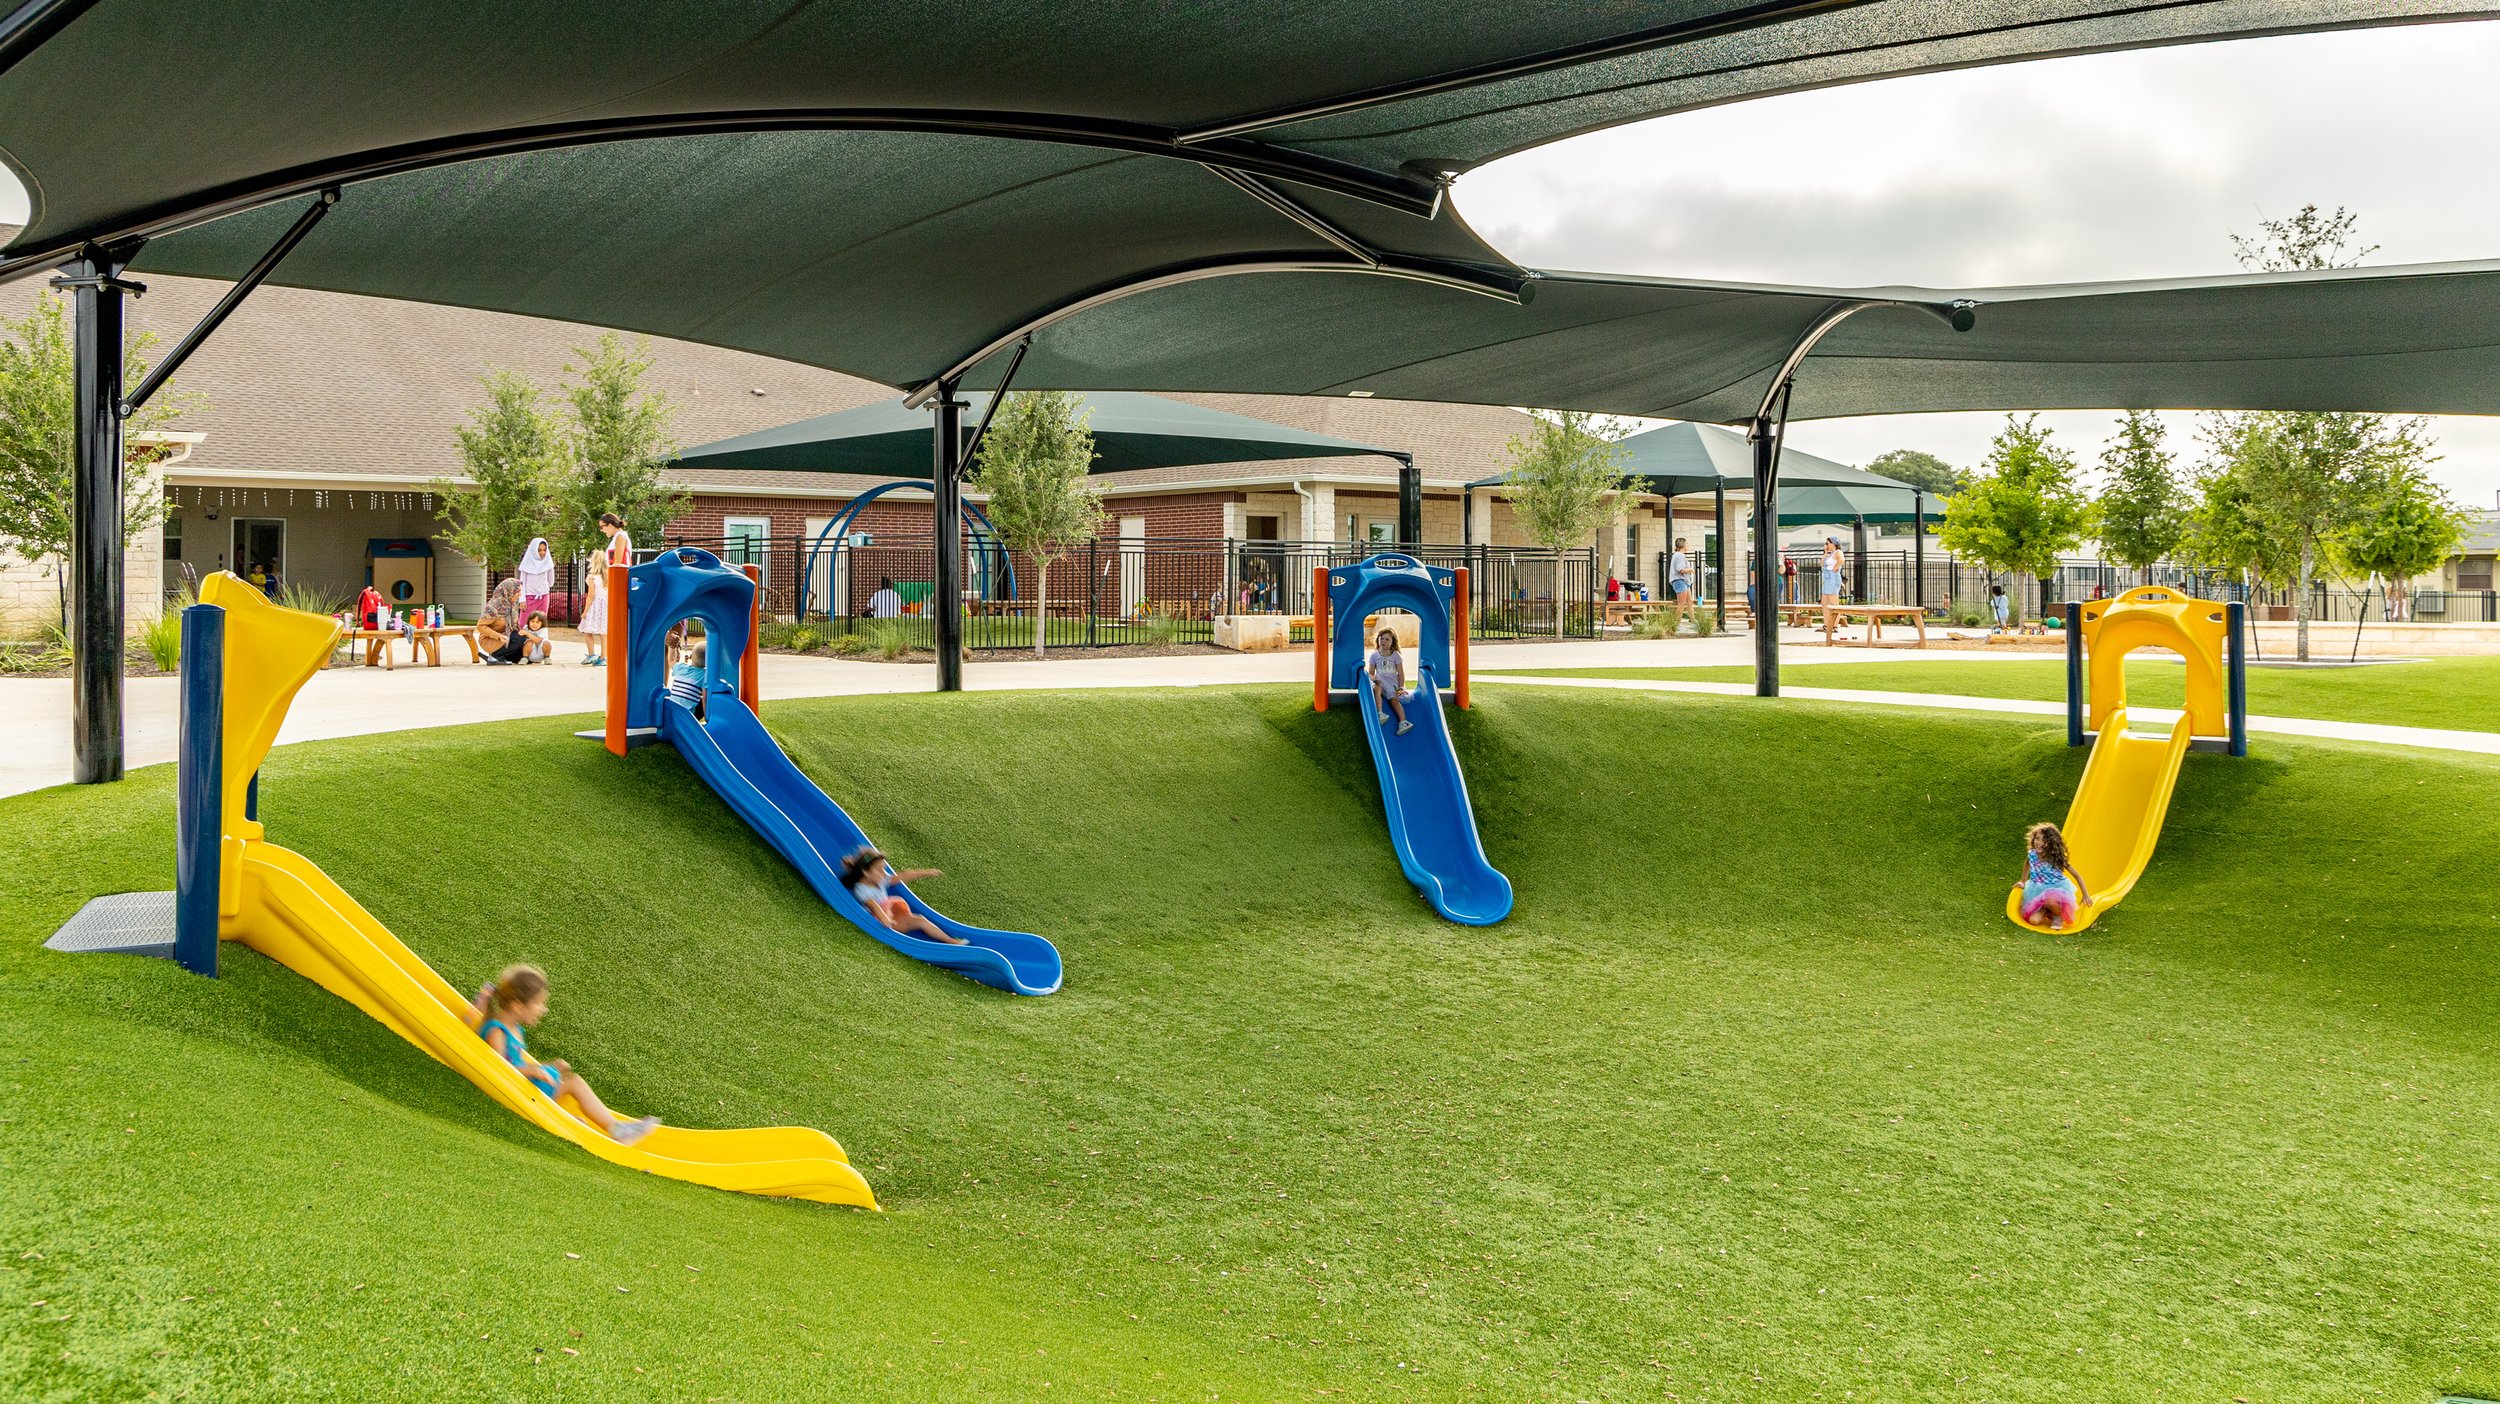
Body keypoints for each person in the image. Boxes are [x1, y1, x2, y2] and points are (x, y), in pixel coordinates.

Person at [469, 964, 659, 1145]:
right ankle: (616, 1130)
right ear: (518, 1006)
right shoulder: (498, 1032)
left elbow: (517, 1063)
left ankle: (582, 1122)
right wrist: (535, 1071)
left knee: (573, 1080)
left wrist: (548, 1067)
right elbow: (499, 1069)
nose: (544, 1009)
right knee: (573, 1083)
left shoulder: (515, 1029)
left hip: (528, 1090)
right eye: (539, 1003)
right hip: (518, 1093)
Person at [841, 847, 965, 945]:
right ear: (866, 872)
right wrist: (885, 920)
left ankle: (950, 940)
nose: (884, 873)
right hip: (880, 922)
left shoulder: (878, 880)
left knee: (920, 918)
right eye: (880, 870)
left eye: (884, 869)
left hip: (890, 914)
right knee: (919, 920)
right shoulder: (862, 889)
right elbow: (873, 905)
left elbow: (902, 876)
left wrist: (925, 872)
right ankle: (950, 941)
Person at [2018, 822, 2093, 931]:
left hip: (2056, 888)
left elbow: (2077, 876)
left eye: (2044, 840)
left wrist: (2086, 895)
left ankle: (2058, 916)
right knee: (2034, 921)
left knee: (2049, 900)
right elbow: (2027, 864)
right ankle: (2047, 910)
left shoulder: (2056, 858)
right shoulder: (2032, 854)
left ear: (2051, 843)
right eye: (2037, 838)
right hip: (2037, 889)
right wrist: (2023, 881)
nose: (2039, 842)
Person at [1366, 626, 1412, 735]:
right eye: (1381, 638)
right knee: (1377, 689)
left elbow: (1400, 673)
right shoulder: (1374, 655)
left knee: (1394, 701)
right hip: (1380, 681)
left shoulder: (1396, 655)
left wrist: (1401, 686)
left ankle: (1403, 722)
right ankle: (1380, 713)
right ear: (1378, 640)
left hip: (1392, 683)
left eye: (1387, 639)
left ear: (1392, 642)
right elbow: (1371, 673)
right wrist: (1374, 679)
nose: (1383, 641)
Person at [478, 577, 526, 663]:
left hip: (507, 638)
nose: (520, 594)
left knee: (524, 657)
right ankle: (494, 656)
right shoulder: (493, 607)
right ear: (509, 591)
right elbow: (480, 627)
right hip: (490, 640)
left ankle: (500, 656)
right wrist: (498, 636)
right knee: (519, 638)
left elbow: (514, 626)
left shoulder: (512, 604)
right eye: (517, 591)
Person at [516, 537, 556, 622]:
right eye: (539, 550)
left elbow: (551, 582)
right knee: (524, 623)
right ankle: (522, 636)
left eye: (544, 550)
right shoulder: (526, 564)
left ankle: (539, 636)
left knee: (541, 623)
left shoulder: (548, 563)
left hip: (544, 597)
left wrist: (542, 588)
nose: (542, 553)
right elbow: (522, 583)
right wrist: (522, 599)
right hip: (529, 597)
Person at [668, 638, 706, 715]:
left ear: (691, 656)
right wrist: (707, 717)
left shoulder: (680, 668)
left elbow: (671, 661)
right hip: (687, 716)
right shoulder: (705, 675)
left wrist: (672, 647)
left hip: (671, 711)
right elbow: (705, 699)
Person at [1668, 537, 1695, 627]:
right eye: (1686, 544)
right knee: (1681, 603)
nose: (1688, 546)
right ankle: (1677, 624)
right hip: (1679, 581)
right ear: (1682, 545)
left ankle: (1693, 621)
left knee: (1689, 602)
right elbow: (1680, 569)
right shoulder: (1680, 555)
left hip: (1684, 581)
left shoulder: (1677, 555)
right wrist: (1690, 570)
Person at [1819, 537, 1845, 606]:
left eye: (1827, 543)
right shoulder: (1831, 554)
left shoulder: (1838, 552)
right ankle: (1827, 617)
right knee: (1824, 603)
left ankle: (1836, 617)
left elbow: (1841, 560)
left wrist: (1836, 567)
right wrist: (1825, 552)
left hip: (1833, 578)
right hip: (1827, 579)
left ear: (1833, 543)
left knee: (1833, 602)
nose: (1826, 545)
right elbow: (1821, 563)